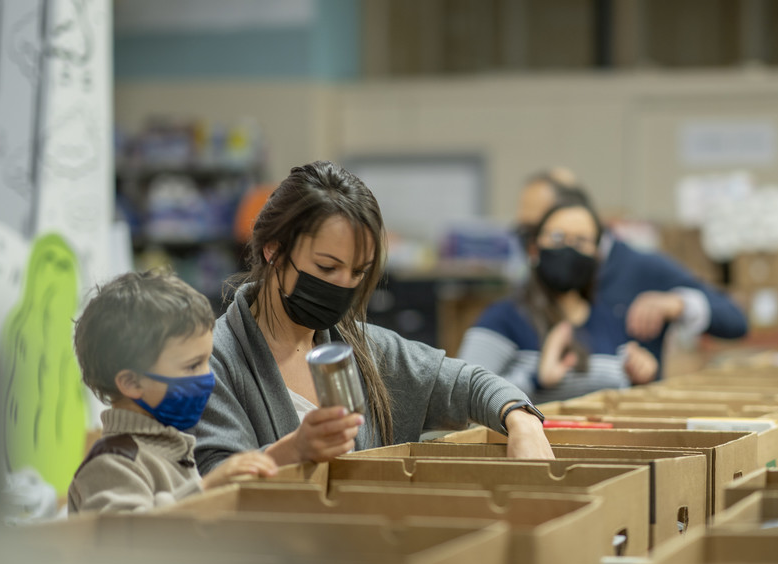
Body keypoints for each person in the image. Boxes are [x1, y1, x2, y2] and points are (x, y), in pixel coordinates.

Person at [195, 161, 554, 473]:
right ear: (273, 248)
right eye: (327, 267)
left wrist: (522, 421)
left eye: (357, 273)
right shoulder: (214, 361)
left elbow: (468, 383)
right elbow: (212, 479)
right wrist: (291, 452)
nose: (343, 286)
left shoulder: (367, 350)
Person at [67, 271, 278, 514]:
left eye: (207, 361)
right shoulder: (112, 463)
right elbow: (125, 540)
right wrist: (207, 489)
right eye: (192, 365)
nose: (207, 376)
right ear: (131, 382)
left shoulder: (172, 445)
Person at [516, 169, 748, 366]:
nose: (532, 244)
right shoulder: (541, 276)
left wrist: (677, 304)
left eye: (540, 230)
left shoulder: (641, 267)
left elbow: (734, 319)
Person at [459, 191, 659, 402]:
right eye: (557, 238)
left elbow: (619, 398)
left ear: (597, 256)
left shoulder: (611, 321)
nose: (569, 249)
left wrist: (639, 377)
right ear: (534, 249)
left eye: (581, 241)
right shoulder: (501, 319)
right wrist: (536, 380)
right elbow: (462, 398)